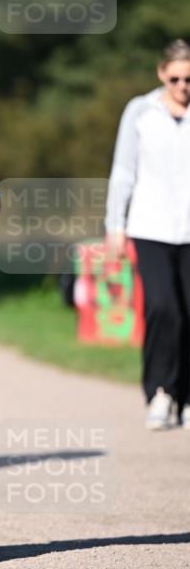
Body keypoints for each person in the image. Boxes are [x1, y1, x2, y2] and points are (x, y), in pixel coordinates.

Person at [105, 38, 190, 430]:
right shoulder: (140, 111)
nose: (182, 86)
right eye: (175, 78)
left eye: (188, 79)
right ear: (162, 73)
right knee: (162, 307)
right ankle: (160, 391)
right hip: (150, 226)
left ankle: (185, 397)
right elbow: (124, 172)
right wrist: (115, 227)